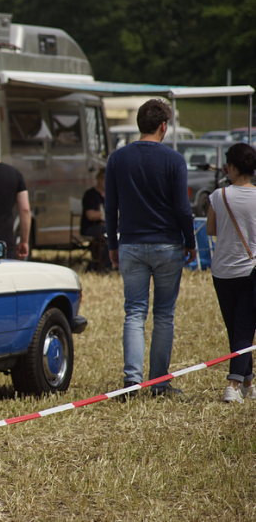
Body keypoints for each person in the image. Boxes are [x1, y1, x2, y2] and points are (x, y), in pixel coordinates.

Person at [105, 98, 196, 397]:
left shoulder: (117, 159)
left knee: (134, 312)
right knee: (163, 315)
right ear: (163, 126)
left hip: (130, 243)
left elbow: (110, 206)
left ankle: (131, 382)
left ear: (139, 124)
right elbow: (183, 208)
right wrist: (190, 242)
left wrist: (111, 243)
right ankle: (158, 382)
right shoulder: (173, 160)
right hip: (167, 244)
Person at [206, 142, 256, 403]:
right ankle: (233, 386)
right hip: (249, 270)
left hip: (222, 270)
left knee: (235, 328)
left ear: (233, 167)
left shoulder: (218, 196)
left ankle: (248, 382)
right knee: (245, 329)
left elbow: (210, 230)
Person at [81, 169, 111, 272]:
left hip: (107, 226)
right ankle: (105, 265)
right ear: (99, 179)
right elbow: (90, 215)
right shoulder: (90, 195)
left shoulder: (110, 195)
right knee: (109, 233)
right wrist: (107, 214)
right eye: (104, 179)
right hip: (91, 227)